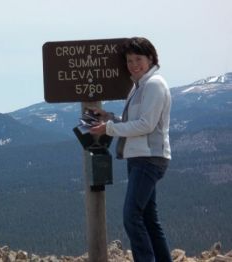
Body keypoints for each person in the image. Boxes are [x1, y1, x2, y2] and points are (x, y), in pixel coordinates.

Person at [90, 37, 173, 262]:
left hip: (149, 158)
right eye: (129, 60)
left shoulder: (154, 84)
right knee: (148, 218)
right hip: (140, 157)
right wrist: (111, 118)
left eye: (138, 59)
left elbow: (146, 125)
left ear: (151, 59)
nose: (133, 64)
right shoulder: (140, 86)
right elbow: (135, 121)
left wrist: (108, 128)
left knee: (132, 217)